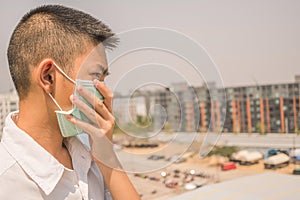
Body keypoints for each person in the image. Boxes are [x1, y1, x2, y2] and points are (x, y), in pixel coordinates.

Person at [0, 4, 140, 200]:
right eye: (96, 76)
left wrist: (106, 155)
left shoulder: (89, 150)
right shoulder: (7, 184)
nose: (105, 92)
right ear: (48, 77)